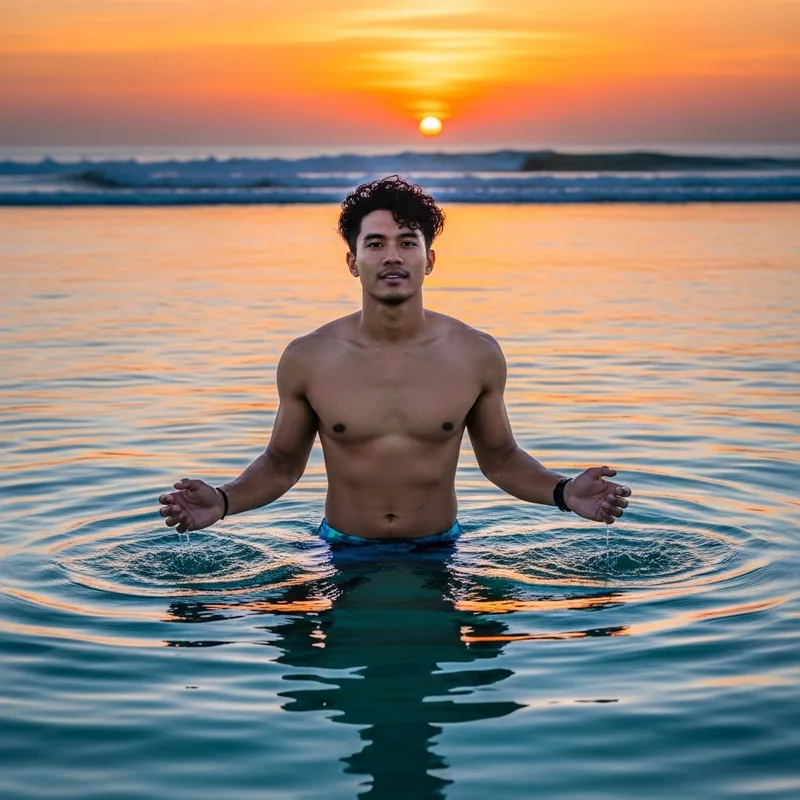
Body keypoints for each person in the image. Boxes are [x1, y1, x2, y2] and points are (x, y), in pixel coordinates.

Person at [158, 175, 631, 543]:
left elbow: (501, 458)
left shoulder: (475, 354)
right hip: (341, 548)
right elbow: (282, 464)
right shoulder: (309, 357)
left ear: (429, 260)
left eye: (408, 242)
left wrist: (563, 493)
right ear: (352, 261)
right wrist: (222, 501)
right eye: (375, 243)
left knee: (491, 658)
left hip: (440, 549)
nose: (392, 257)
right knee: (294, 657)